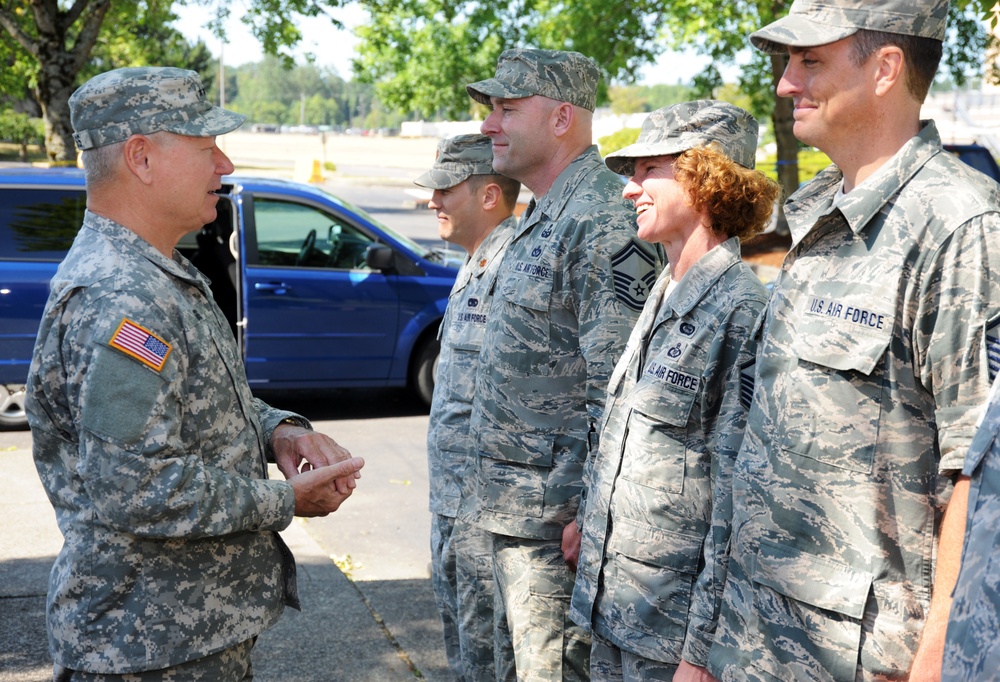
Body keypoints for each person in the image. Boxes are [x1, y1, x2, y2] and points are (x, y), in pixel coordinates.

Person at [25, 66, 365, 680]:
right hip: (147, 647)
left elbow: (195, 404)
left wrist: (280, 432)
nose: (226, 165)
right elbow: (137, 487)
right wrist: (284, 499)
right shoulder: (122, 296)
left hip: (179, 636)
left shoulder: (158, 273)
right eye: (207, 148)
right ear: (142, 158)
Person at [704, 1, 1000, 680]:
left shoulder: (961, 227)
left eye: (811, 61)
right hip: (759, 635)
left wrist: (936, 664)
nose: (784, 82)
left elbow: (979, 479)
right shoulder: (817, 214)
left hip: (862, 657)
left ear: (885, 69)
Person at [465, 48, 665, 680]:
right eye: (489, 109)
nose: (487, 126)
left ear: (560, 119)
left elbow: (620, 384)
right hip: (514, 514)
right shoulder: (543, 214)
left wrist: (593, 511)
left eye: (507, 109)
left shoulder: (603, 216)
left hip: (558, 529)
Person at [569, 100, 778, 682]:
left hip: (672, 638)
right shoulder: (662, 291)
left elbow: (735, 500)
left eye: (647, 171)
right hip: (615, 610)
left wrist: (702, 652)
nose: (629, 190)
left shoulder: (741, 309)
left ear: (704, 179)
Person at [416, 133, 520, 681]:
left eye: (445, 190)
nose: (433, 201)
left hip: (483, 510)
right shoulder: (476, 263)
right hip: (453, 504)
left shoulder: (513, 268)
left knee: (488, 662)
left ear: (487, 196)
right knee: (464, 656)